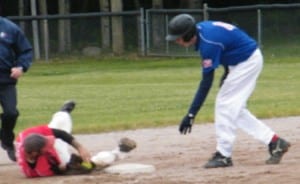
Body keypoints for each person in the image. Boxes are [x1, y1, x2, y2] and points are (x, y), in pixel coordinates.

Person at [165, 14, 290, 168]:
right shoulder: (204, 32)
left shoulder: (208, 43)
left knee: (224, 105)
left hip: (246, 62)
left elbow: (206, 83)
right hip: (239, 61)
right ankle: (275, 141)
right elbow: (228, 43)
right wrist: (227, 71)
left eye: (179, 38)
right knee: (234, 109)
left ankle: (224, 155)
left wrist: (191, 114)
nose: (177, 41)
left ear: (190, 34)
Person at [15, 101, 137, 177]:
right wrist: (65, 167)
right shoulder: (38, 170)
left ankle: (64, 111)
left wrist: (80, 147)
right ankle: (120, 151)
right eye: (47, 146)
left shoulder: (28, 135)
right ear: (35, 154)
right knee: (90, 163)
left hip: (41, 149)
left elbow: (60, 134)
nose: (50, 142)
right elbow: (59, 169)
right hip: (54, 160)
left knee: (57, 123)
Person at [0, 16, 33, 162]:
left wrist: (21, 67)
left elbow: (25, 51)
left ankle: (7, 141)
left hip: (5, 79)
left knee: (11, 113)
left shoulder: (10, 28)